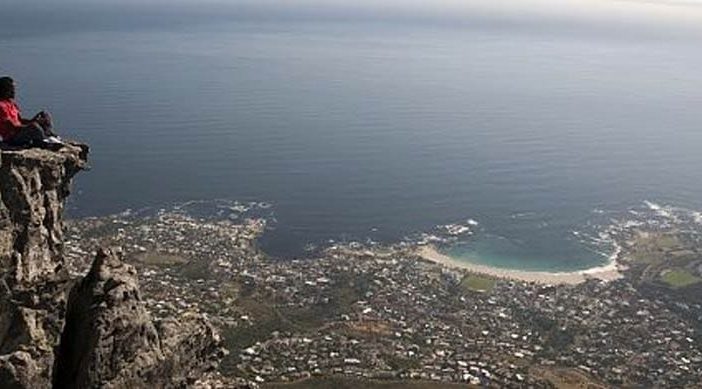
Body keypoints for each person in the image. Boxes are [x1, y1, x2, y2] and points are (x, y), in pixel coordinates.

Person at [0, 76, 60, 148]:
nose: (14, 92)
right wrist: (32, 124)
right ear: (4, 90)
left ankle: (48, 134)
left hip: (21, 131)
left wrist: (34, 120)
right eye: (11, 90)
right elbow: (12, 126)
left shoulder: (11, 103)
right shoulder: (1, 106)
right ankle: (45, 141)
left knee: (44, 115)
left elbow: (20, 120)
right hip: (12, 138)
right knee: (34, 127)